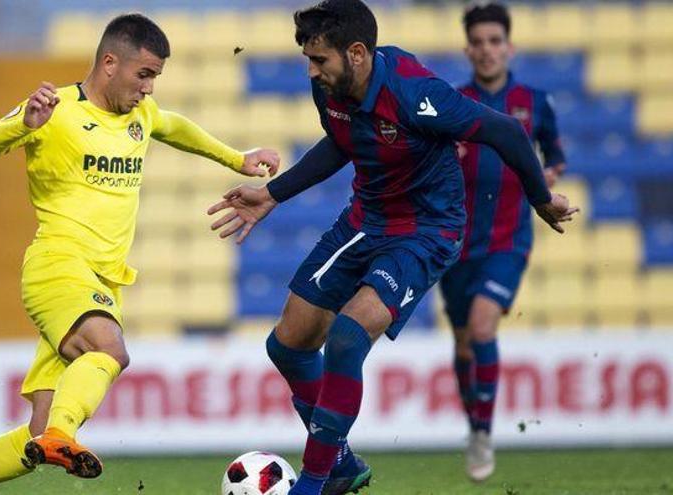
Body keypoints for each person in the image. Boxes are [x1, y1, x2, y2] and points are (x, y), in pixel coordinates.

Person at [207, 1, 577, 494]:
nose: (312, 71)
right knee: (287, 345)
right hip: (366, 220)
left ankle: (313, 483)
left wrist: (541, 199)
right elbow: (342, 142)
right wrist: (273, 195)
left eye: (320, 60)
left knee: (345, 338)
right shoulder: (330, 88)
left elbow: (505, 131)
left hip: (426, 232)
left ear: (356, 53)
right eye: (309, 60)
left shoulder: (415, 94)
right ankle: (339, 462)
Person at [0, 13, 279, 495]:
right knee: (110, 350)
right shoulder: (54, 109)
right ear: (110, 63)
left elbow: (175, 127)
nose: (149, 88)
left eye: (155, 78)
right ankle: (65, 436)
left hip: (100, 282)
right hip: (58, 267)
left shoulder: (141, 116)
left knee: (35, 436)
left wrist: (238, 159)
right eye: (143, 74)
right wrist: (21, 123)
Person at [440, 1, 567, 482]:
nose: (486, 50)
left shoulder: (535, 102)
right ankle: (474, 422)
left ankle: (483, 435)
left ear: (509, 46)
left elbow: (554, 155)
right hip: (452, 244)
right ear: (468, 48)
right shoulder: (452, 102)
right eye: (478, 42)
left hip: (507, 241)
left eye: (495, 41)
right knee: (463, 344)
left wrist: (548, 176)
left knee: (482, 327)